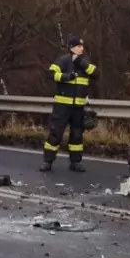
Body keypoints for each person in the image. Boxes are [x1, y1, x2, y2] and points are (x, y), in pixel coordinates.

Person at [41, 36, 98, 172]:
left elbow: (96, 73)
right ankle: (47, 162)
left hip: (78, 107)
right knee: (56, 134)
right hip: (62, 106)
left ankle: (75, 163)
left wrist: (82, 64)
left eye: (82, 46)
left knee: (77, 136)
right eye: (79, 46)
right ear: (72, 47)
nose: (81, 48)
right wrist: (67, 77)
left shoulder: (85, 62)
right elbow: (51, 74)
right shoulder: (63, 60)